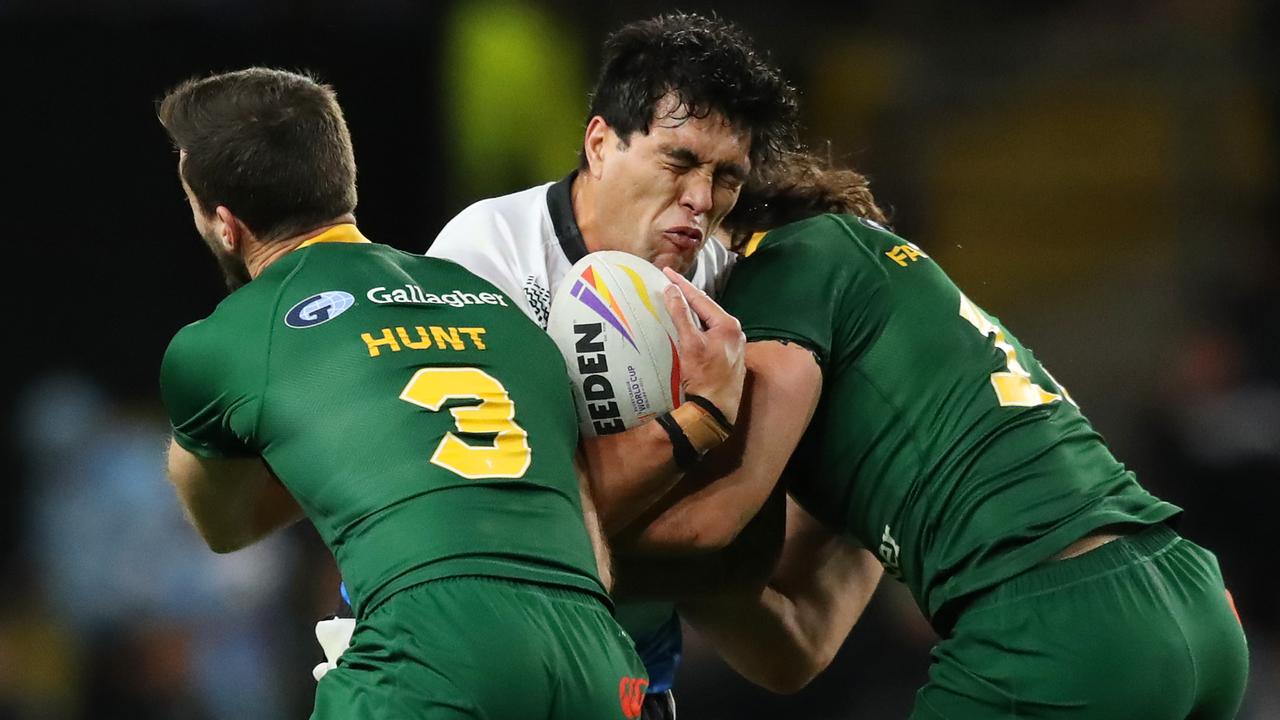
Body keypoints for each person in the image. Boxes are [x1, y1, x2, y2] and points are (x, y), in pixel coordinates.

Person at [153, 66, 711, 719]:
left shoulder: (224, 340)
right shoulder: (499, 307)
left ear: (224, 224)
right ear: (340, 178)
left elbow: (224, 525)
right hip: (596, 656)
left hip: (431, 650)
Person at [628, 151, 1251, 718]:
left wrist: (589, 523)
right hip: (1190, 600)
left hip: (1057, 632)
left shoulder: (785, 256)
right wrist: (696, 577)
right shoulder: (884, 394)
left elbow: (709, 528)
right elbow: (796, 651)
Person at [418, 13, 799, 718]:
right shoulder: (485, 258)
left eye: (727, 177)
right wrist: (699, 422)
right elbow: (497, 518)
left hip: (627, 681)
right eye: (679, 161)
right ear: (600, 143)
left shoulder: (726, 286)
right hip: (466, 672)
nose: (701, 200)